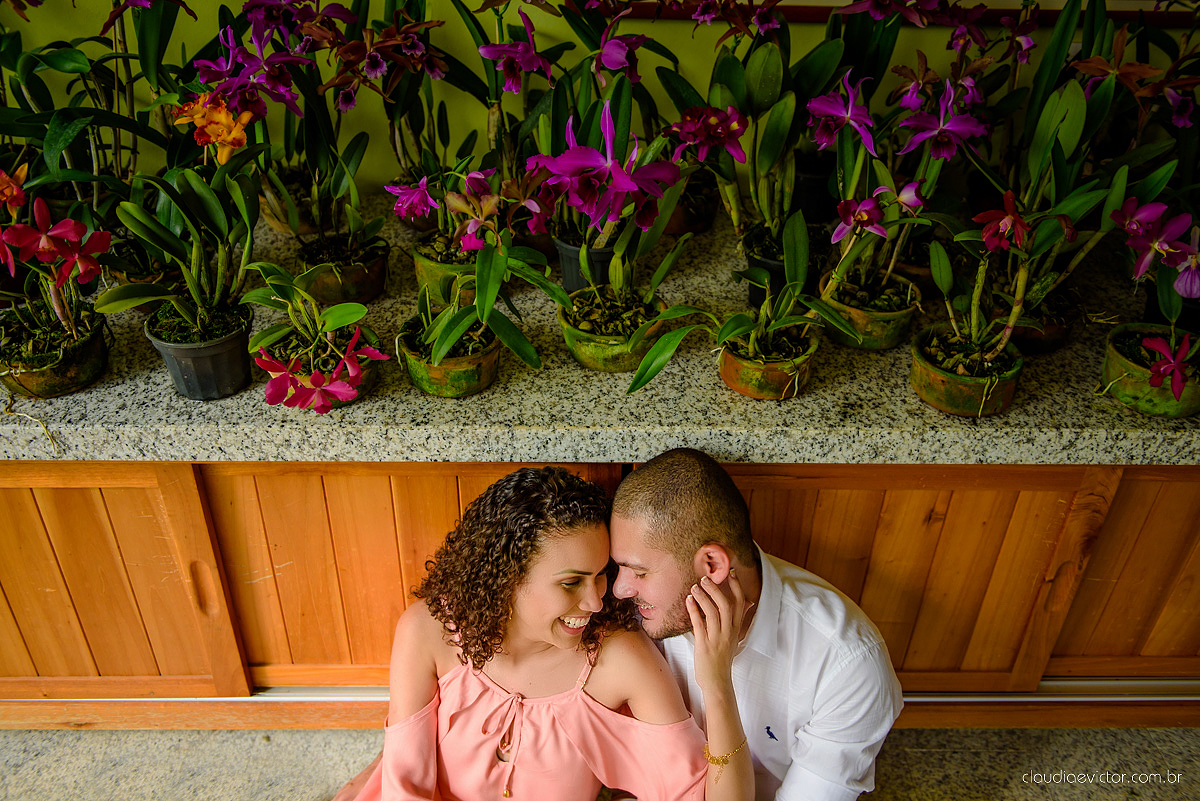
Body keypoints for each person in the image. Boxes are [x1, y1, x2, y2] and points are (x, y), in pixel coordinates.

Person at [339, 465, 755, 801]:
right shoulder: (427, 632)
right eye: (571, 583)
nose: (596, 602)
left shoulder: (621, 661)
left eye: (600, 575)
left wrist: (717, 684)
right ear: (507, 577)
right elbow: (406, 787)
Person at [609, 448, 904, 801]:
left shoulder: (848, 665)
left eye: (639, 572)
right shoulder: (641, 616)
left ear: (712, 565)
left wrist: (717, 685)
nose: (619, 589)